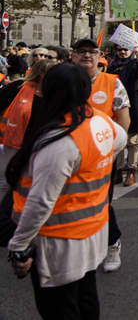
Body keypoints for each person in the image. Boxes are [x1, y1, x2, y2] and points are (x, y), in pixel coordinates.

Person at [6, 63, 127, 319]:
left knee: (61, 309)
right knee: (86, 300)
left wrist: (19, 245)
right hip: (91, 234)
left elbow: (40, 203)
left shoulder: (60, 143)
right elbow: (120, 139)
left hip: (59, 244)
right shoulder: (101, 121)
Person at [70, 38, 131, 274]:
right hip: (69, 156)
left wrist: (110, 153)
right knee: (74, 203)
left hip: (101, 158)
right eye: (81, 51)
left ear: (99, 56)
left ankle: (112, 242)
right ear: (73, 55)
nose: (87, 56)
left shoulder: (112, 83)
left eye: (92, 52)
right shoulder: (65, 81)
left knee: (101, 202)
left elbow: (124, 121)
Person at [0, 59, 56, 200]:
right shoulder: (17, 87)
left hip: (40, 147)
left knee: (31, 184)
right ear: (39, 73)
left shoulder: (56, 94)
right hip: (11, 145)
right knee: (6, 182)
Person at [108, 44, 138, 186]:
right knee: (118, 140)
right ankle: (119, 170)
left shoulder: (136, 63)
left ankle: (131, 170)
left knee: (132, 140)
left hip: (133, 106)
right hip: (117, 106)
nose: (122, 52)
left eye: (125, 49)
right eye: (119, 50)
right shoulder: (113, 65)